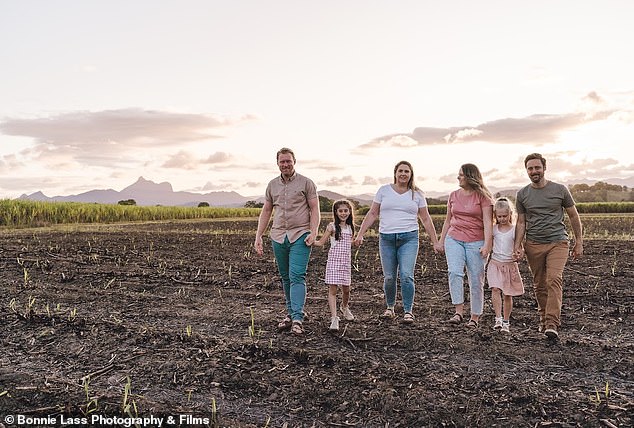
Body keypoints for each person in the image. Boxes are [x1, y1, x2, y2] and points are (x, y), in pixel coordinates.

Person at [353, 160, 440, 324]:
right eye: (400, 171)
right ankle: (390, 308)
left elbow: (426, 218)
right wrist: (360, 234)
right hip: (386, 239)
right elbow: (372, 213)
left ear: (411, 174)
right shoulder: (383, 191)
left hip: (409, 238)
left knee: (406, 276)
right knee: (389, 277)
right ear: (395, 173)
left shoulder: (417, 194)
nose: (403, 174)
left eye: (406, 171)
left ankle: (408, 311)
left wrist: (435, 241)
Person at [513, 153, 583, 339]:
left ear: (544, 168)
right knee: (539, 285)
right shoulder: (522, 194)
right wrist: (518, 245)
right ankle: (543, 319)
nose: (534, 171)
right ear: (526, 171)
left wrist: (579, 242)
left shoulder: (560, 190)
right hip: (533, 244)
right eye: (530, 168)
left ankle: (552, 323)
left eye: (537, 167)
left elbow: (574, 216)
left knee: (554, 279)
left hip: (558, 242)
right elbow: (521, 222)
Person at [254, 147, 320, 335]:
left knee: (297, 275)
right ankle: (291, 313)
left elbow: (314, 209)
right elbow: (266, 211)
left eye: (288, 161)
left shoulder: (306, 183)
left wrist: (313, 232)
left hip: (300, 235)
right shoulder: (272, 185)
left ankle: (298, 318)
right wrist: (259, 235)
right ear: (277, 163)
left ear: (294, 161)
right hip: (278, 236)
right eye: (282, 161)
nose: (285, 164)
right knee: (285, 277)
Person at [437, 163, 493, 328]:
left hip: (476, 241)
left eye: (461, 175)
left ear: (470, 176)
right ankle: (458, 312)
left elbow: (488, 223)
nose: (458, 177)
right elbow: (448, 220)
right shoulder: (453, 195)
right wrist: (441, 241)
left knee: (476, 279)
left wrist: (487, 245)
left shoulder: (483, 198)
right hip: (454, 238)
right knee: (454, 273)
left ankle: (475, 317)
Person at [314, 199, 356, 332]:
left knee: (346, 289)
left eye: (346, 211)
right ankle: (334, 317)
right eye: (340, 211)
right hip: (334, 262)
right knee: (333, 290)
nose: (343, 213)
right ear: (336, 212)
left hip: (345, 263)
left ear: (349, 212)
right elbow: (321, 243)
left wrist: (357, 241)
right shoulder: (332, 227)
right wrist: (310, 240)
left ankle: (344, 307)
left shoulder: (350, 228)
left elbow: (351, 243)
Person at [487, 197, 524, 333]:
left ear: (510, 214)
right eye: (499, 216)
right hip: (495, 264)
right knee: (495, 289)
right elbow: (489, 244)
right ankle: (498, 318)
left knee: (508, 294)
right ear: (495, 215)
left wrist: (518, 254)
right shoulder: (494, 229)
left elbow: (520, 247)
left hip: (509, 265)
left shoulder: (514, 230)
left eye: (505, 216)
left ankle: (506, 322)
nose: (502, 219)